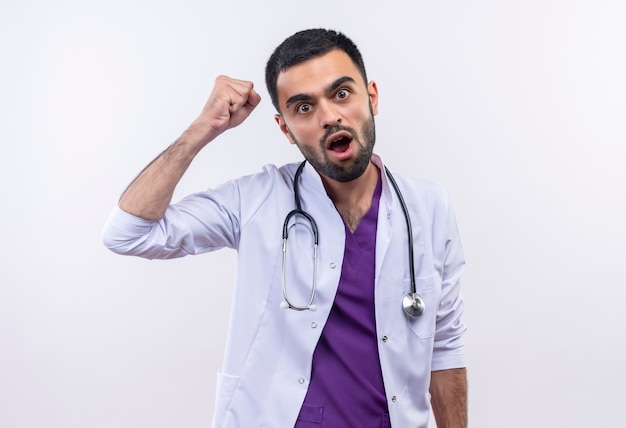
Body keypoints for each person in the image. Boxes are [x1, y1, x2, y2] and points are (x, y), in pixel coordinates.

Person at [103, 28, 467, 428]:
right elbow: (129, 232)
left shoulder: (428, 207)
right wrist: (204, 127)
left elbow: (445, 348)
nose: (330, 116)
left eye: (342, 93)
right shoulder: (257, 200)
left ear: (372, 96)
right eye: (304, 108)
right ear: (285, 128)